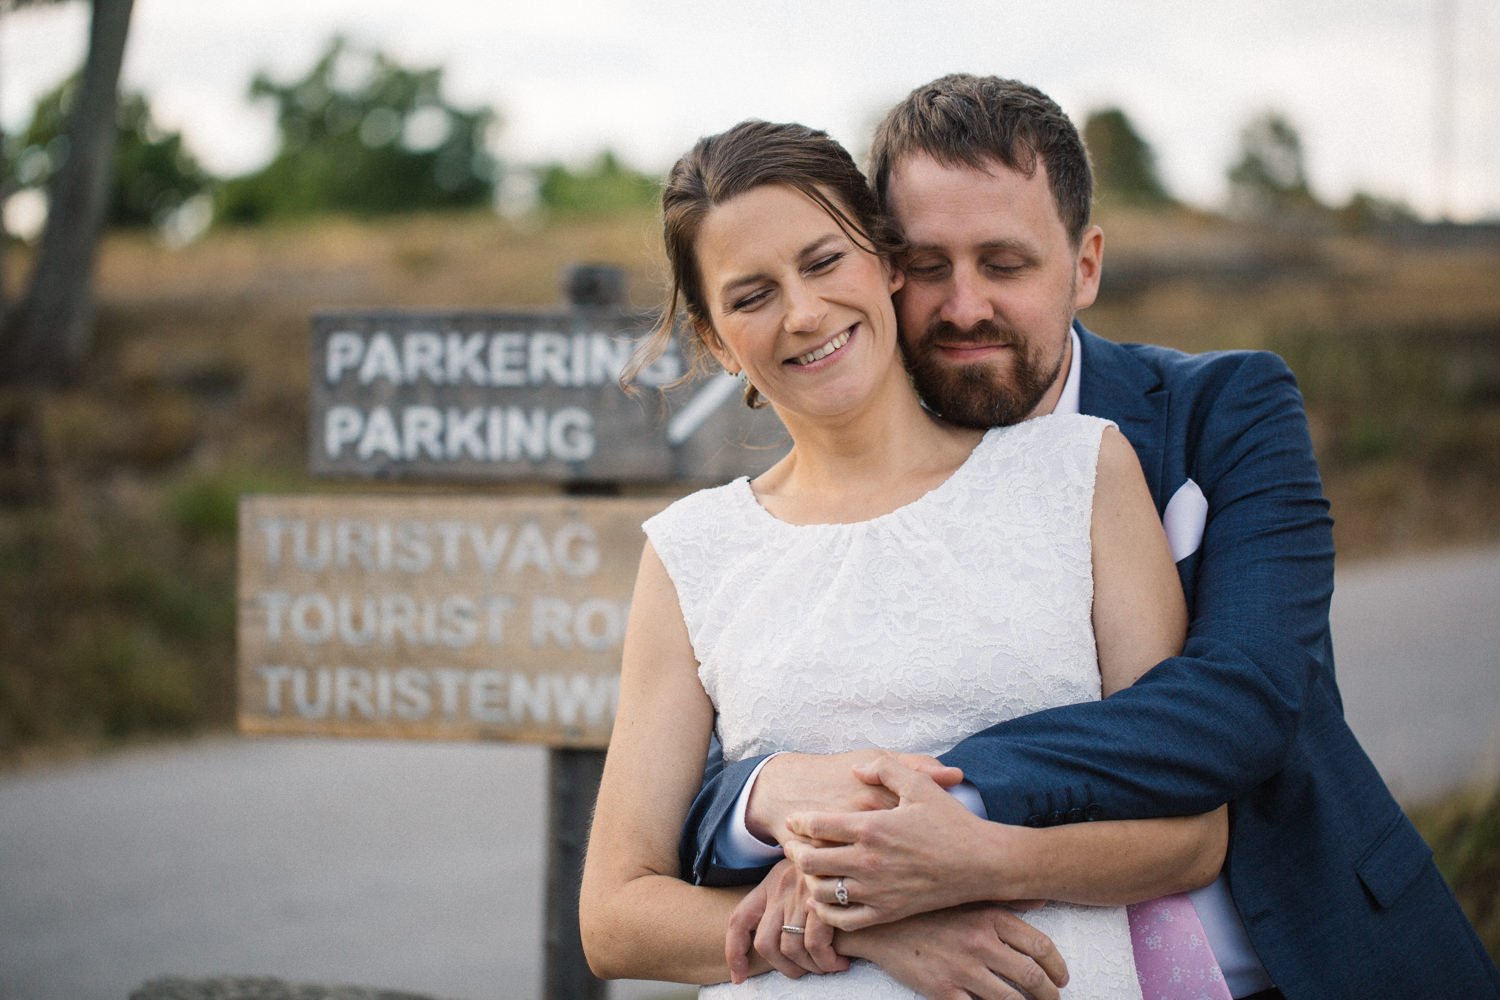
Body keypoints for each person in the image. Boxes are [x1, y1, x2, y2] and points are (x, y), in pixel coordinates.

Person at [680, 75, 1500, 1000]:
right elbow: (730, 769)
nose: (962, 308)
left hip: (1297, 963)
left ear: (1086, 265)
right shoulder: (858, 487)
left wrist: (903, 822)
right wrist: (782, 800)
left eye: (1006, 264)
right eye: (928, 264)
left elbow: (1245, 700)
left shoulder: (1223, 413)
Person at [579, 118, 1232, 999]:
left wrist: (956, 875)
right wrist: (874, 932)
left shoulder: (1079, 472)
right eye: (751, 295)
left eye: (822, 262)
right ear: (715, 336)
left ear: (886, 261)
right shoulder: (693, 553)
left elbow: (1191, 834)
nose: (803, 314)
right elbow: (616, 917)